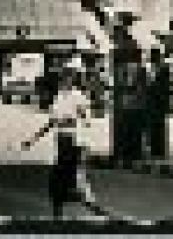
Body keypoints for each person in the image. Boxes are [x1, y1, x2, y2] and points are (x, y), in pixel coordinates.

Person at [22, 68, 115, 220]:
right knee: (58, 178)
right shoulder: (58, 97)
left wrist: (78, 123)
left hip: (74, 140)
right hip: (61, 141)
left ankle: (92, 205)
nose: (65, 81)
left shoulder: (78, 96)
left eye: (68, 78)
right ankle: (59, 214)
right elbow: (52, 122)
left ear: (72, 79)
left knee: (74, 175)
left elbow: (87, 119)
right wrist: (33, 139)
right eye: (63, 78)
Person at [144, 50, 173, 160]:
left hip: (160, 102)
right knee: (153, 126)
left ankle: (159, 150)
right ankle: (154, 148)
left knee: (160, 126)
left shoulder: (164, 70)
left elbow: (166, 89)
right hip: (152, 103)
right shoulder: (152, 70)